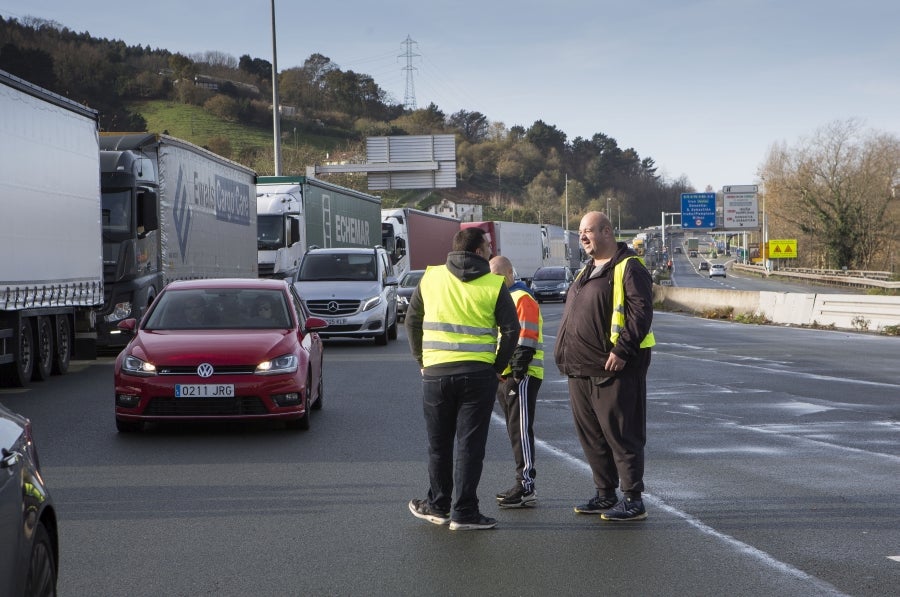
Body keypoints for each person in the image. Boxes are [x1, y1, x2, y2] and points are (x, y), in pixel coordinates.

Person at [405, 227, 520, 531]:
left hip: (435, 374)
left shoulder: (430, 277)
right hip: (478, 375)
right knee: (470, 445)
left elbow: (411, 320)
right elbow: (512, 330)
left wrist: (421, 360)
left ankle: (438, 506)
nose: (491, 250)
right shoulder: (494, 284)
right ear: (480, 251)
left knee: (439, 444)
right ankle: (464, 512)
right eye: (489, 247)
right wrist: (498, 366)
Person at [555, 211, 656, 521]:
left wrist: (622, 350)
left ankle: (632, 499)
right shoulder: (586, 270)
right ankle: (604, 494)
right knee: (592, 436)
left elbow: (640, 313)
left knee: (622, 433)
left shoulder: (628, 267)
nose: (582, 236)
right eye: (580, 232)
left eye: (589, 231)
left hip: (614, 367)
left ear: (608, 232)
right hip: (580, 368)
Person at [489, 256, 544, 509]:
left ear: (510, 273)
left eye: (499, 276)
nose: (495, 281)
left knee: (520, 431)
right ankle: (522, 483)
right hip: (508, 374)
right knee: (515, 431)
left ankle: (526, 486)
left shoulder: (521, 298)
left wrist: (517, 373)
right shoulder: (506, 296)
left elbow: (527, 337)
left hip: (521, 375)